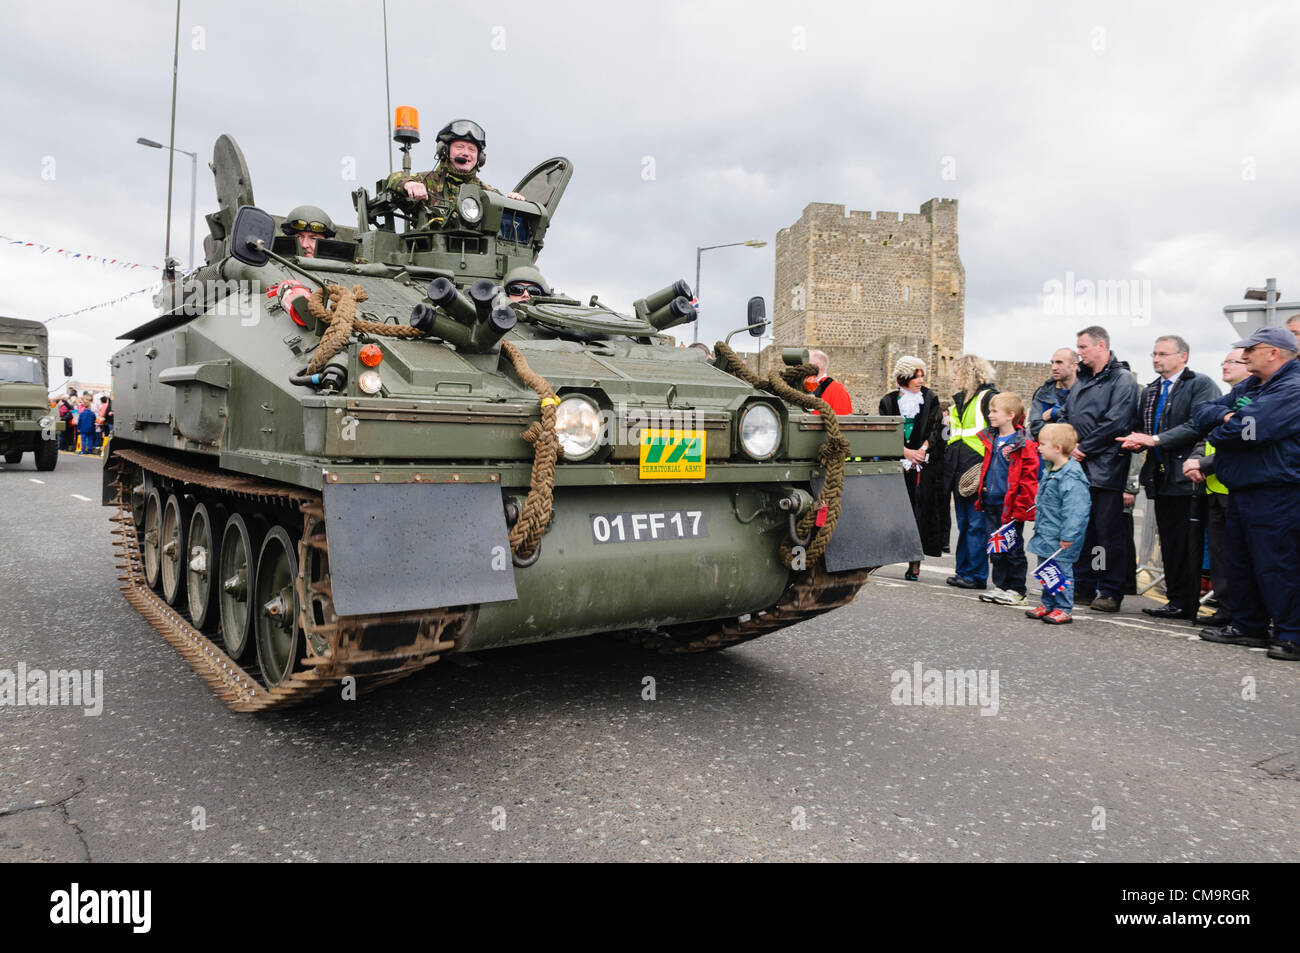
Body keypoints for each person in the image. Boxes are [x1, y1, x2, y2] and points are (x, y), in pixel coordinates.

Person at [1190, 327, 1300, 661]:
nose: (1244, 354)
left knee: (1277, 563)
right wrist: (1229, 417)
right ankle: (1248, 625)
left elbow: (1251, 431)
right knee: (1240, 561)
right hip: (1242, 486)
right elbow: (1201, 412)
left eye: (1250, 349)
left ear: (1274, 352)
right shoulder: (1252, 385)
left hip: (1277, 489)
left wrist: (1229, 424)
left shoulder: (1293, 387)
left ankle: (1291, 634)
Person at [1116, 335, 1221, 620]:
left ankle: (1190, 603)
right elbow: (1142, 426)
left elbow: (1198, 424)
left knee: (1189, 544)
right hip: (1161, 477)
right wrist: (1137, 440)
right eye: (1153, 353)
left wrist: (1156, 439)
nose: (1156, 359)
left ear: (1182, 356)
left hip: (1189, 478)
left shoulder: (1201, 384)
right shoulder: (1151, 390)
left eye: (1163, 353)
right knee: (1171, 543)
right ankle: (1176, 600)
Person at [1064, 326, 1139, 612]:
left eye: (1083, 347)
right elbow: (1067, 413)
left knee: (1107, 534)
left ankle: (1109, 589)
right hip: (1078, 466)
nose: (1079, 352)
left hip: (1105, 468)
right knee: (1083, 530)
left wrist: (1084, 448)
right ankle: (1084, 585)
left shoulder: (1122, 380)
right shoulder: (1082, 380)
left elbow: (1117, 422)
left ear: (1101, 346)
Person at [1184, 347, 1251, 632]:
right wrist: (1195, 459)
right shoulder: (1224, 402)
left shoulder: (1254, 400)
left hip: (1237, 487)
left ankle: (1246, 615)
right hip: (1213, 488)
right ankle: (1226, 609)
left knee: (1242, 556)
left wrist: (1205, 463)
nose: (1225, 366)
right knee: (1222, 555)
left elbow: (1245, 442)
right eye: (1223, 361)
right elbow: (1204, 428)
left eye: (1232, 361)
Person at [384, 119, 525, 227]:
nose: (466, 153)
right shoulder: (427, 180)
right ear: (444, 150)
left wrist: (513, 203)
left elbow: (508, 223)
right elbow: (394, 179)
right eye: (459, 147)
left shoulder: (486, 192)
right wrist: (408, 184)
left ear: (480, 158)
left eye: (472, 149)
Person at [878, 356, 945, 579]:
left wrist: (922, 450)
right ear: (904, 378)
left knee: (919, 513)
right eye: (916, 376)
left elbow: (935, 429)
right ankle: (881, 556)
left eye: (922, 376)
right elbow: (885, 432)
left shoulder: (930, 398)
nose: (921, 380)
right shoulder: (887, 401)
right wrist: (905, 452)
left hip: (922, 466)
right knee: (895, 513)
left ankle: (914, 563)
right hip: (897, 464)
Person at [974, 392, 1039, 606]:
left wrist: (1022, 507)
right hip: (990, 500)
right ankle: (1001, 586)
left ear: (1010, 415)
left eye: (994, 411)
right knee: (996, 549)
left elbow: (1029, 480)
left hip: (1009, 506)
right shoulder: (991, 438)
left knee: (1012, 549)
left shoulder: (1023, 444)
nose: (990, 415)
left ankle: (1017, 589)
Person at [1025, 423, 1092, 624]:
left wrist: (1069, 535)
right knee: (1048, 570)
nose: (1039, 447)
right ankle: (1048, 603)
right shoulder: (1051, 469)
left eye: (1043, 444)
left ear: (1058, 448)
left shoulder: (1071, 475)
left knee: (1061, 572)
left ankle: (1063, 607)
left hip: (1061, 536)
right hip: (1046, 532)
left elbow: (1076, 509)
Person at [944, 355, 998, 589]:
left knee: (977, 524)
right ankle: (964, 571)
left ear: (969, 372)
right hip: (960, 468)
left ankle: (976, 575)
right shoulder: (959, 402)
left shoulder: (988, 398)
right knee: (965, 522)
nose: (953, 376)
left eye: (957, 371)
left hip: (978, 467)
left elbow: (996, 433)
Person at [1029, 348, 1078, 441]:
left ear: (1074, 366)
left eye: (1059, 362)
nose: (1054, 367)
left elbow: (1085, 425)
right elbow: (1036, 427)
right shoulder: (1043, 393)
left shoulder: (1087, 392)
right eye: (1052, 363)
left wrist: (1055, 412)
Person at [804, 349, 853, 415]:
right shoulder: (801, 387)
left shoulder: (837, 389)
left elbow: (843, 421)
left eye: (805, 363)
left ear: (817, 366)